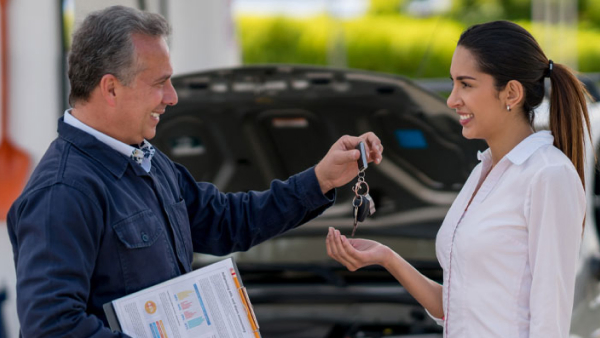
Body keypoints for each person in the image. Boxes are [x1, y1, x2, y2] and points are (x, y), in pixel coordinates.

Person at [6, 5, 384, 338]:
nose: (172, 97)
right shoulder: (62, 191)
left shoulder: (146, 160)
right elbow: (52, 327)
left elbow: (228, 221)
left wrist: (321, 179)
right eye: (160, 83)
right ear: (111, 88)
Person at [326, 20, 590, 338]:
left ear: (512, 92)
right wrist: (386, 257)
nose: (451, 100)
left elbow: (550, 322)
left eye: (466, 84)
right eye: (453, 84)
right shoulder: (482, 170)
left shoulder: (548, 175)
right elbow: (454, 310)